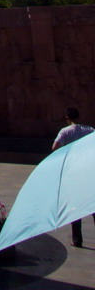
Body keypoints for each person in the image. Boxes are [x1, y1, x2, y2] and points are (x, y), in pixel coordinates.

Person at [52, 106, 95, 247]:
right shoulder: (90, 130)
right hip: (89, 170)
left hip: (74, 172)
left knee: (76, 206)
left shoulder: (65, 131)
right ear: (79, 116)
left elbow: (55, 147)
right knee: (93, 203)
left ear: (67, 118)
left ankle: (77, 239)